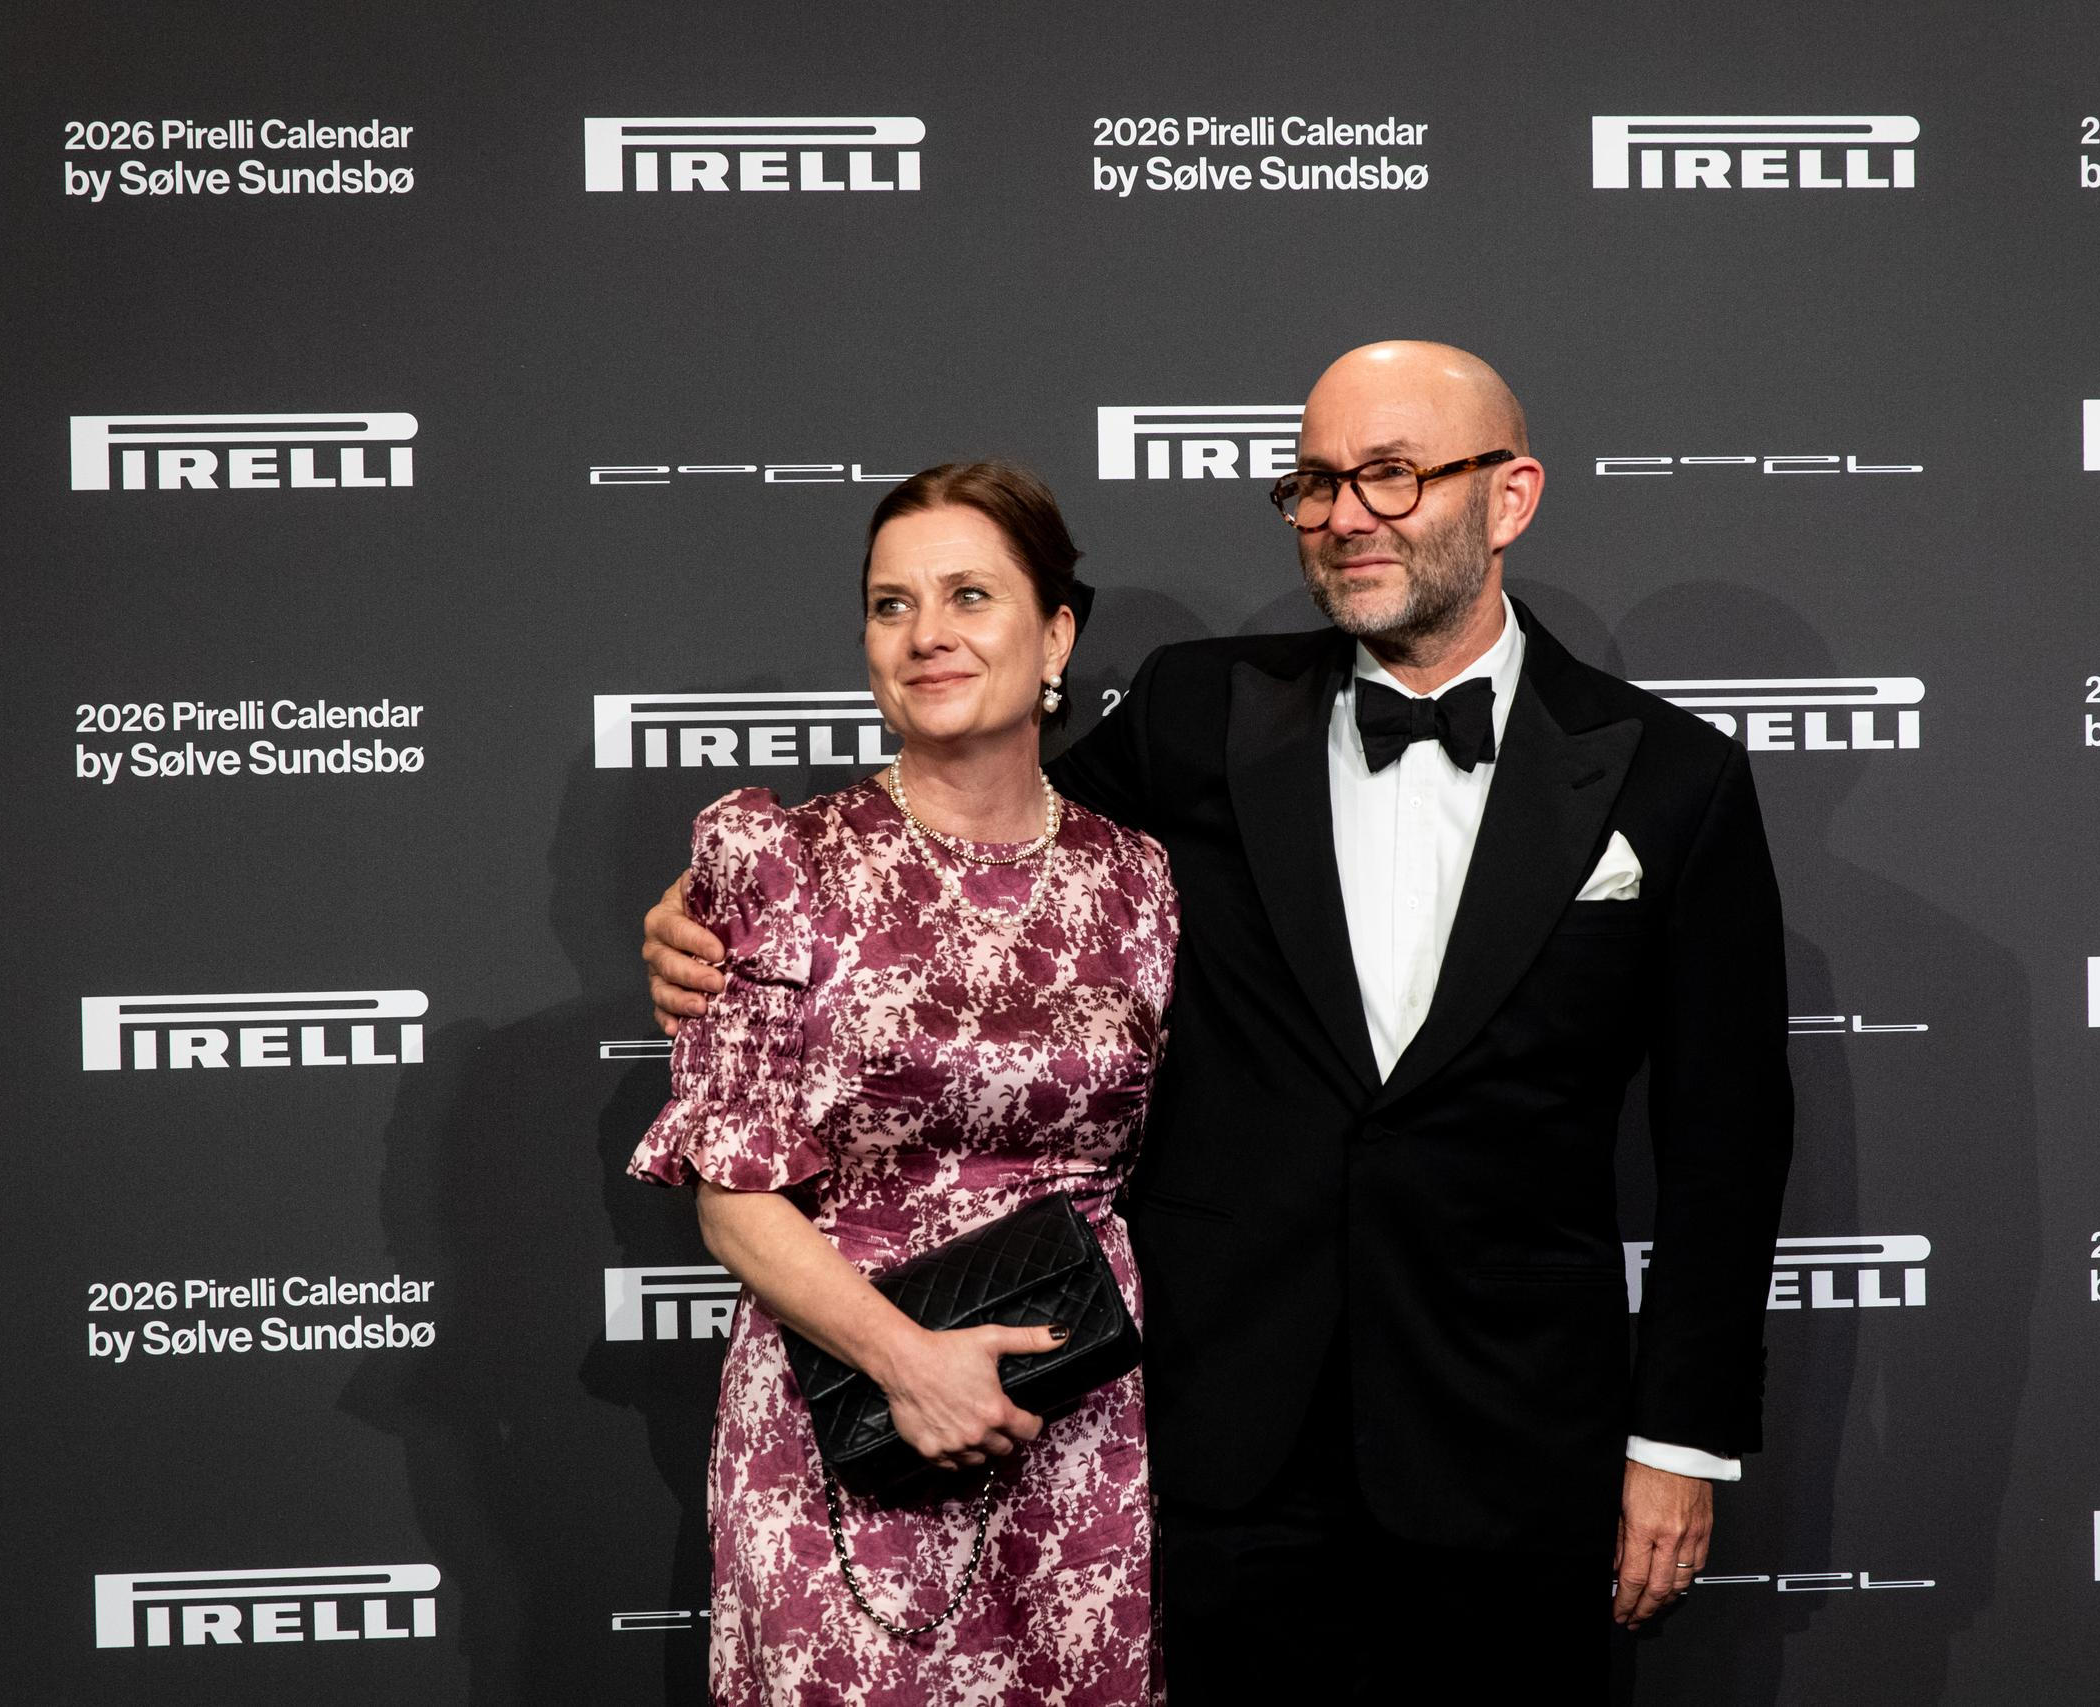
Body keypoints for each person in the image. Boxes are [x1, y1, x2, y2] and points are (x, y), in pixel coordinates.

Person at [648, 343, 1792, 1702]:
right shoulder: (1198, 712)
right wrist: (715, 916)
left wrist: (1678, 1442)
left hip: (1515, 1441)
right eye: (1315, 483)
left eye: (1391, 474)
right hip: (1219, 1439)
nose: (1345, 515)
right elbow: (974, 839)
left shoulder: (1672, 778)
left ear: (1511, 496)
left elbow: (1726, 1146)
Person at [627, 461, 1177, 1704]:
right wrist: (909, 1363)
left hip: (1072, 1427)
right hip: (844, 1418)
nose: (927, 633)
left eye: (969, 595)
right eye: (892, 604)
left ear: (1056, 637)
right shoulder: (776, 860)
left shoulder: (1140, 879)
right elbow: (732, 1191)